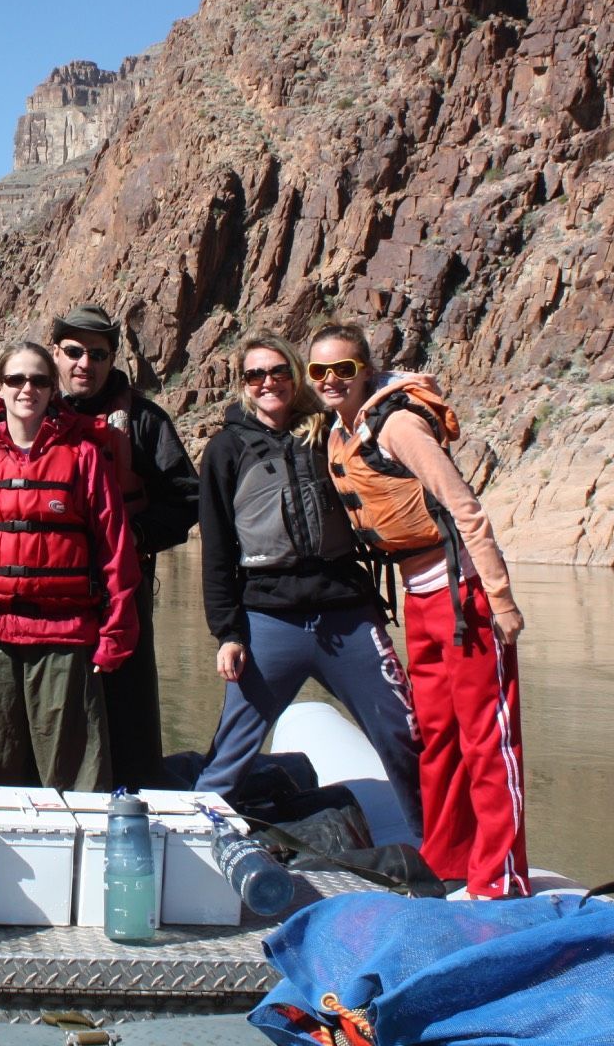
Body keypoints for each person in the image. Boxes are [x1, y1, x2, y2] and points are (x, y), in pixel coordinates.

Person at [309, 322, 528, 900]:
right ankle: (448, 859)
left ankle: (501, 878)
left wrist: (500, 597)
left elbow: (464, 507)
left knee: (486, 738)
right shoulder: (339, 433)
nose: (330, 380)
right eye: (319, 371)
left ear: (365, 371)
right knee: (437, 736)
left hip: (463, 593)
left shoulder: (399, 426)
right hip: (419, 598)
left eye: (343, 369)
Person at [191, 334, 421, 833]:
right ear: (243, 384)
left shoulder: (328, 433)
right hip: (268, 619)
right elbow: (218, 550)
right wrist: (227, 632)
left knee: (403, 735)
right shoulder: (226, 449)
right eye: (255, 374)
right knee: (231, 753)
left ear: (295, 376)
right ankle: (193, 842)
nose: (268, 382)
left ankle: (441, 849)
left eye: (278, 371)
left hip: (348, 613)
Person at [0, 341, 138, 792]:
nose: (28, 389)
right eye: (16, 379)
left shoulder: (83, 455)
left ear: (52, 390)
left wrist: (115, 634)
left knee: (75, 780)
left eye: (39, 380)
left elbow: (115, 551)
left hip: (64, 637)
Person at [49, 304, 198, 789]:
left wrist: (133, 536)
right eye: (74, 351)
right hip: (49, 593)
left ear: (112, 359)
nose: (84, 363)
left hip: (122, 589)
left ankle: (135, 798)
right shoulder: (32, 413)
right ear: (56, 353)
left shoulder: (145, 421)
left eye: (97, 354)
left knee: (128, 709)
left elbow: (186, 499)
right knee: (56, 706)